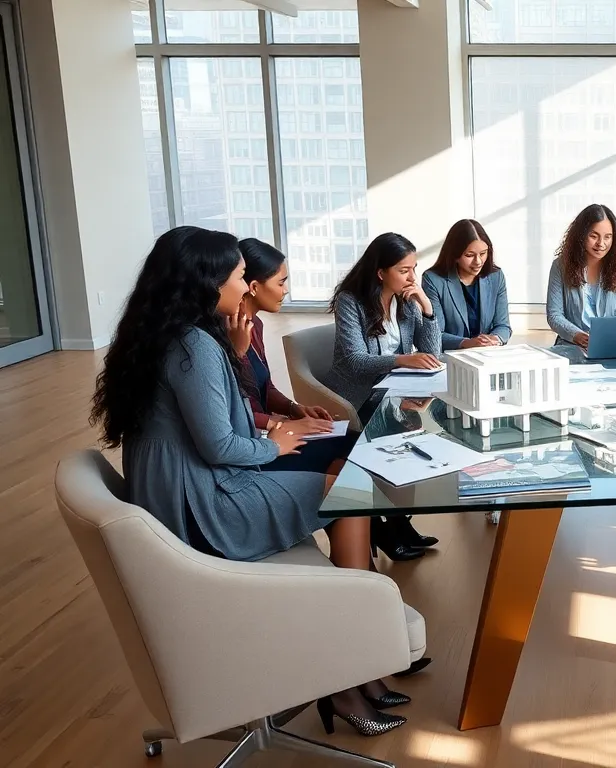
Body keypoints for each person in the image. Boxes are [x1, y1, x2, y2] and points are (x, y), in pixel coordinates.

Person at [91, 226, 410, 736]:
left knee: (346, 470)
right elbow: (222, 444)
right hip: (204, 508)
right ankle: (353, 666)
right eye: (240, 277)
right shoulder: (193, 345)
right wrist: (277, 443)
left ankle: (357, 664)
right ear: (205, 282)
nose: (247, 286)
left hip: (183, 491)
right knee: (351, 485)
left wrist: (244, 368)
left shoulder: (163, 335)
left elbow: (221, 419)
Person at [326, 232, 442, 562]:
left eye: (414, 268)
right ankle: (389, 527)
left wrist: (428, 309)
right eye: (404, 270)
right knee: (407, 430)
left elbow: (431, 352)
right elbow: (355, 361)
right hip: (362, 393)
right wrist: (401, 359)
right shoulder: (352, 301)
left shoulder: (406, 302)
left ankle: (398, 522)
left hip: (396, 387)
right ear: (381, 272)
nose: (412, 277)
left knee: (428, 423)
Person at [227, 238, 358, 474]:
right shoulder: (227, 334)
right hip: (256, 446)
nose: (286, 290)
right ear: (254, 287)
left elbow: (265, 388)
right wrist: (282, 423)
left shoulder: (255, 325)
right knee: (348, 450)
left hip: (272, 432)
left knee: (352, 442)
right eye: (281, 282)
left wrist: (296, 409)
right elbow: (229, 410)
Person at [546, 203, 616, 349]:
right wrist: (577, 336)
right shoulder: (560, 266)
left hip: (611, 344)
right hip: (571, 345)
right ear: (581, 236)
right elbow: (554, 315)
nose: (601, 243)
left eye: (608, 237)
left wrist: (603, 336)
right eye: (594, 236)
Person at [423, 219, 512, 351]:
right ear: (455, 255)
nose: (478, 262)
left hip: (487, 354)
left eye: (483, 253)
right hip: (451, 357)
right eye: (469, 255)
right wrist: (467, 343)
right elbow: (436, 334)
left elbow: (503, 326)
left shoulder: (496, 276)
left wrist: (494, 339)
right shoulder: (433, 280)